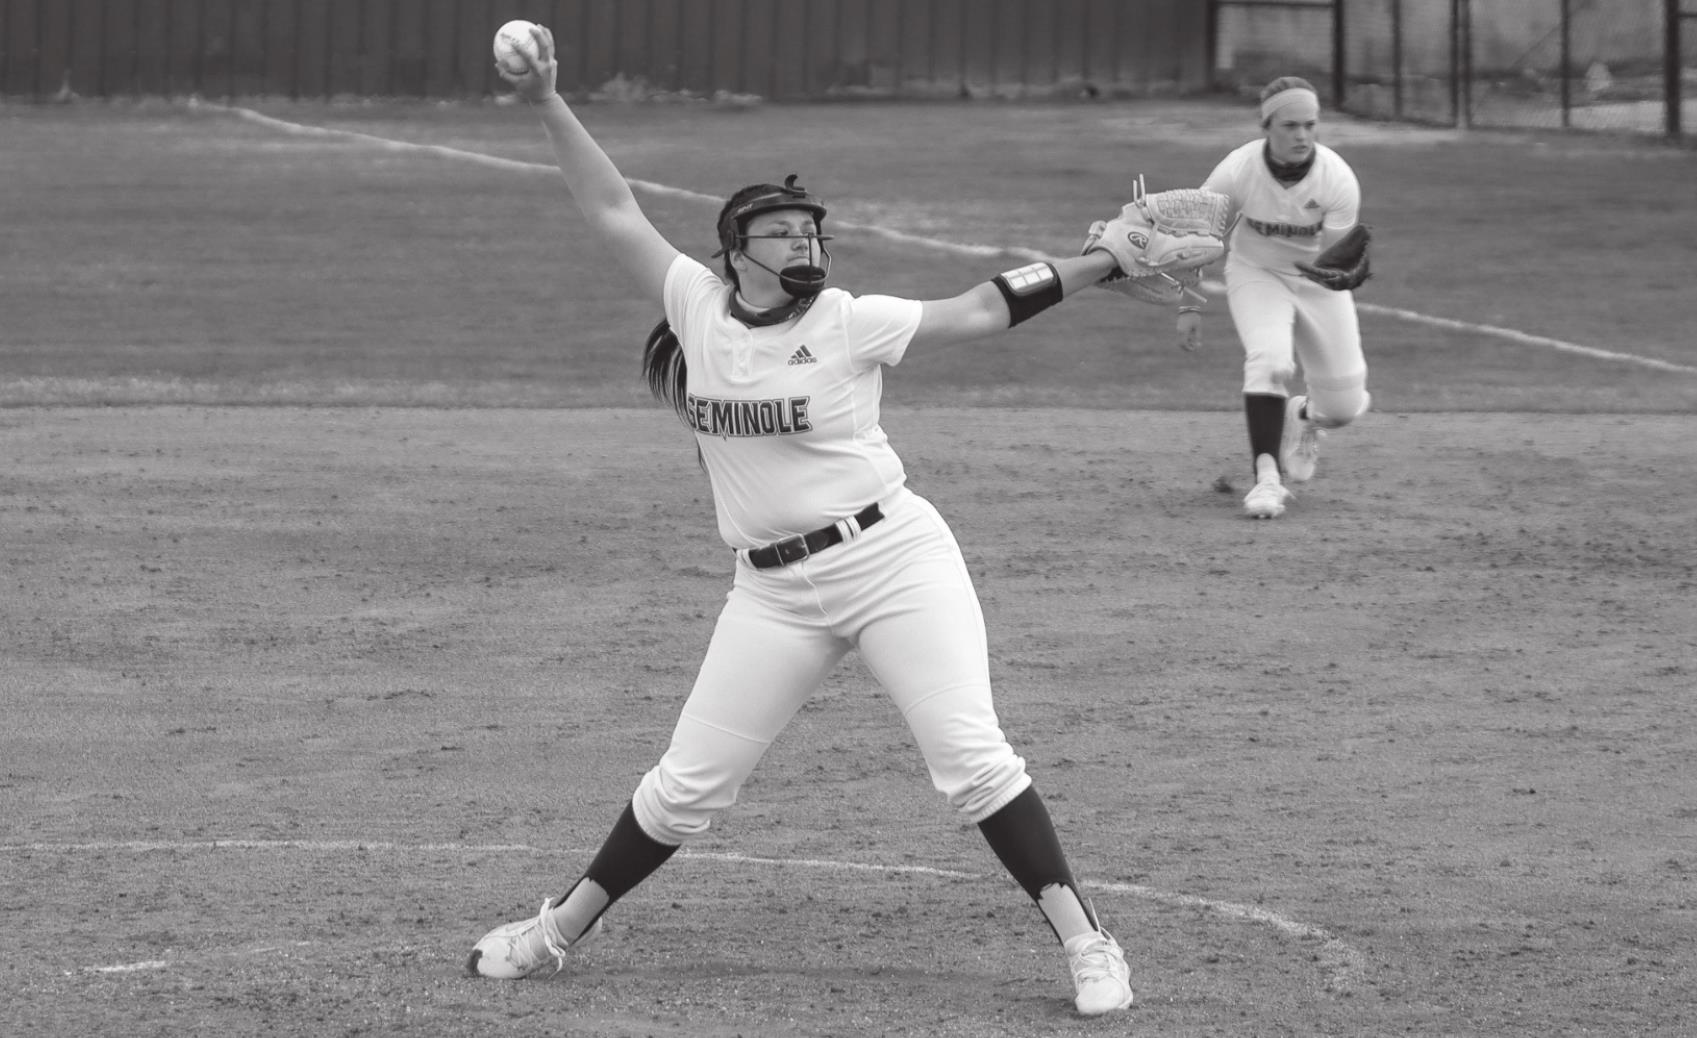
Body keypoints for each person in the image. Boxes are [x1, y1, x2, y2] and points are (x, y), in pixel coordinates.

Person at [465, 23, 1137, 1016]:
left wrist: (1100, 262)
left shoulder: (845, 319)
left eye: (810, 231)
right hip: (771, 592)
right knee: (686, 788)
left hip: (892, 559)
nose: (805, 243)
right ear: (734, 253)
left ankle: (1088, 945)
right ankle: (553, 930)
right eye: (782, 233)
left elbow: (980, 309)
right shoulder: (695, 305)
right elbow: (609, 207)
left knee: (969, 760)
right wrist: (547, 102)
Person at [1188, 75, 1373, 519]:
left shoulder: (1337, 180)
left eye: (1310, 124)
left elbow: (1335, 259)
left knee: (1345, 408)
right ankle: (1266, 480)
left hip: (1315, 281)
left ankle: (1307, 417)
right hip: (1257, 273)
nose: (1302, 135)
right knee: (1270, 361)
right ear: (1266, 126)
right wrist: (1189, 303)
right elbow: (1195, 236)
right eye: (1290, 125)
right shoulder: (1237, 170)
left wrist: (1344, 275)